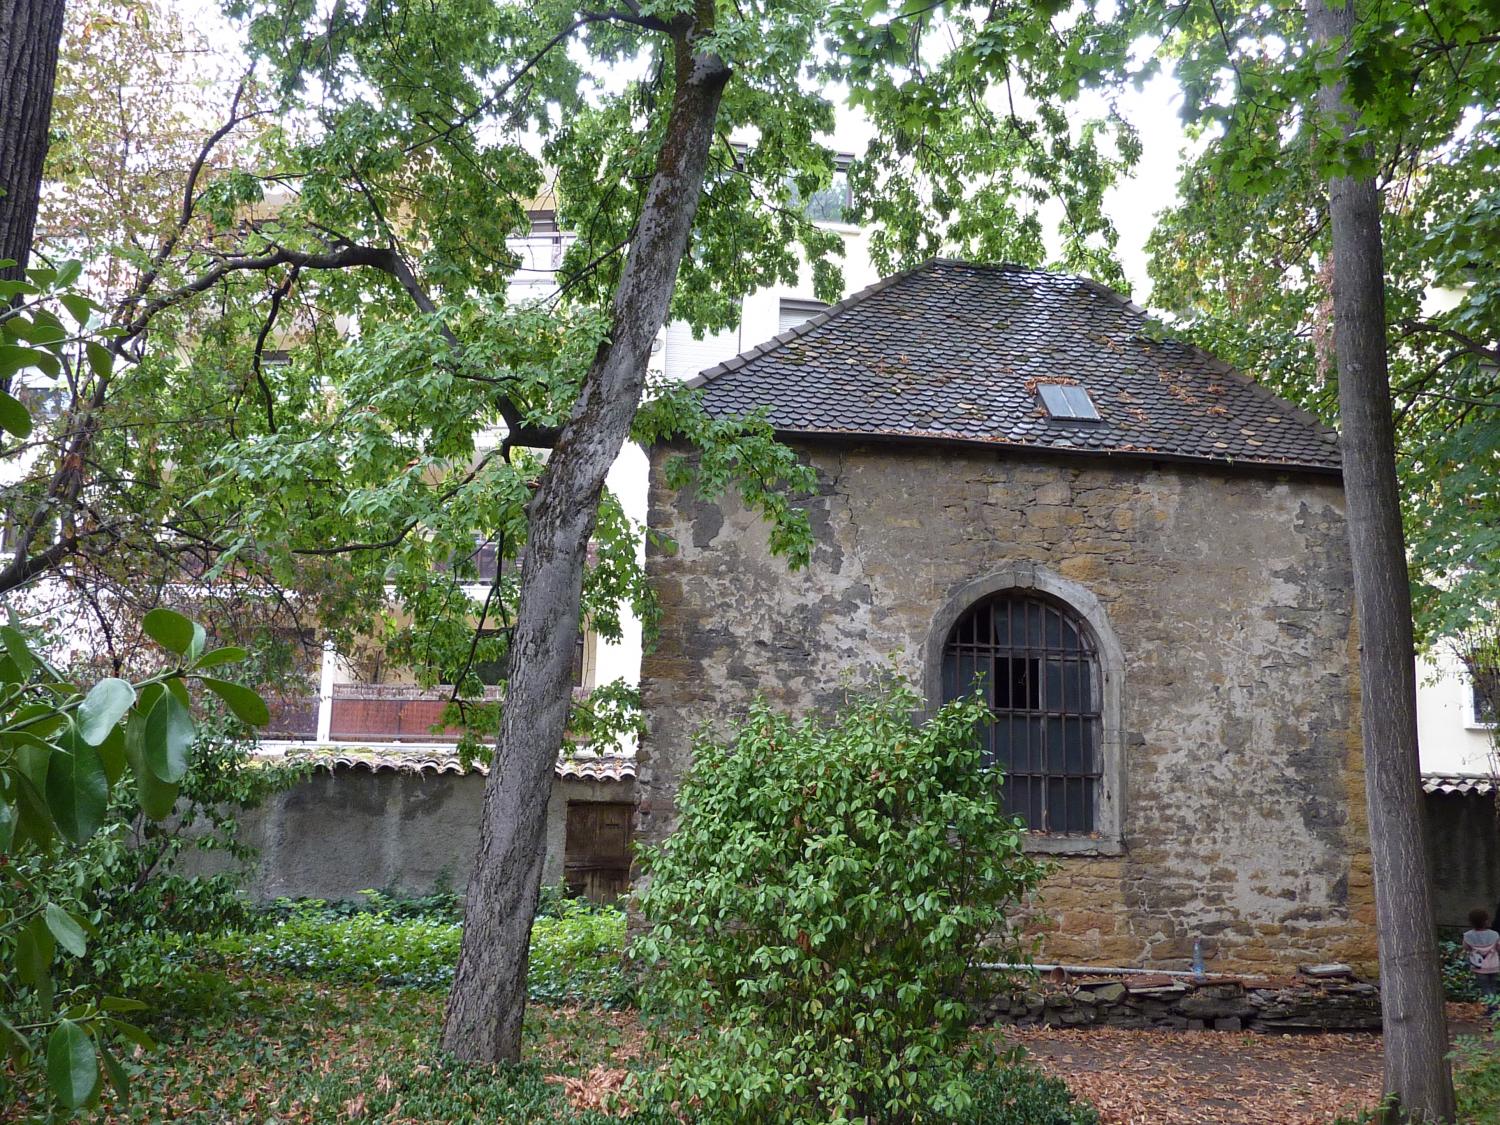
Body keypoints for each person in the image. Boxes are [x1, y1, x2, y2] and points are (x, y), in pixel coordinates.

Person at [1462, 907, 1500, 999]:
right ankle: (1494, 1005)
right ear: (1486, 921)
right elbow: (1499, 948)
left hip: (1479, 966)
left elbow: (1466, 948)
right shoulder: (1494, 934)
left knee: (1485, 987)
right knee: (1493, 986)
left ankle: (1491, 1007)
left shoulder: (1468, 935)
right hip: (1494, 965)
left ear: (1471, 922)